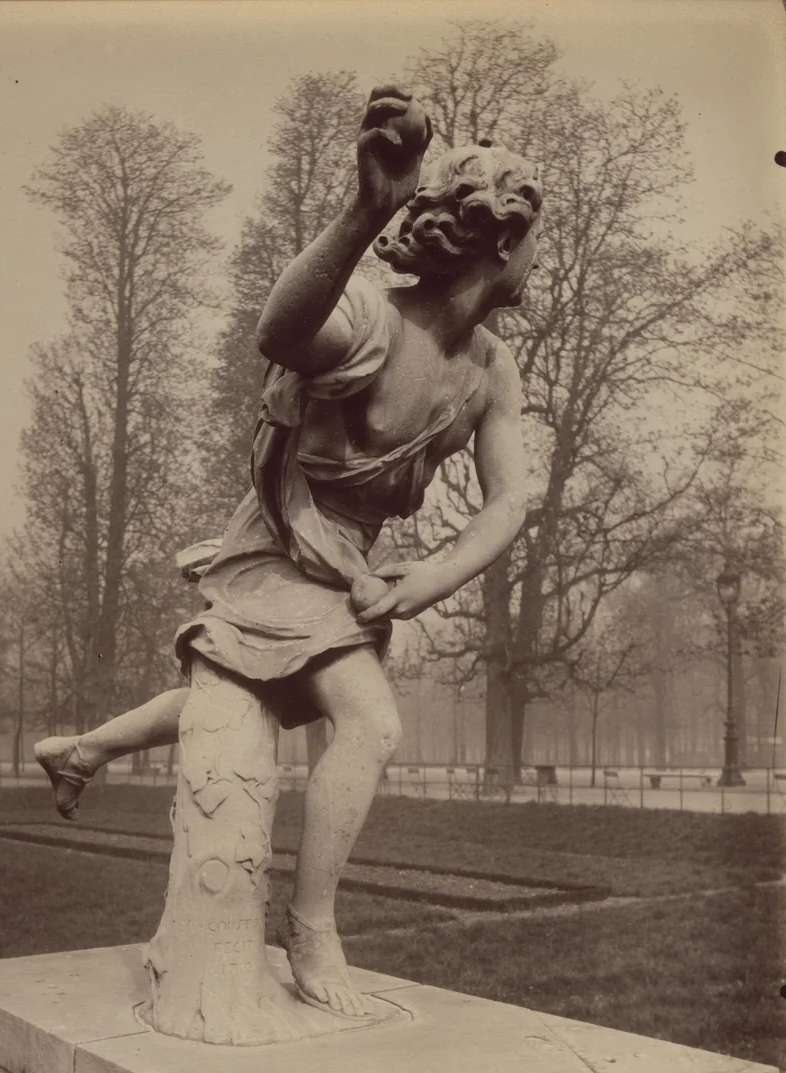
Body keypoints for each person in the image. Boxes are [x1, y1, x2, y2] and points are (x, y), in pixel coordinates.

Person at [36, 85, 542, 1018]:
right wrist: (363, 212)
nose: (536, 270)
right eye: (535, 249)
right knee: (368, 724)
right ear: (502, 241)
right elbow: (280, 332)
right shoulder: (370, 319)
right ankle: (312, 930)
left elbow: (512, 497)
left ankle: (80, 747)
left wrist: (426, 580)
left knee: (256, 690)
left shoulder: (491, 368)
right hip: (279, 545)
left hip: (345, 564)